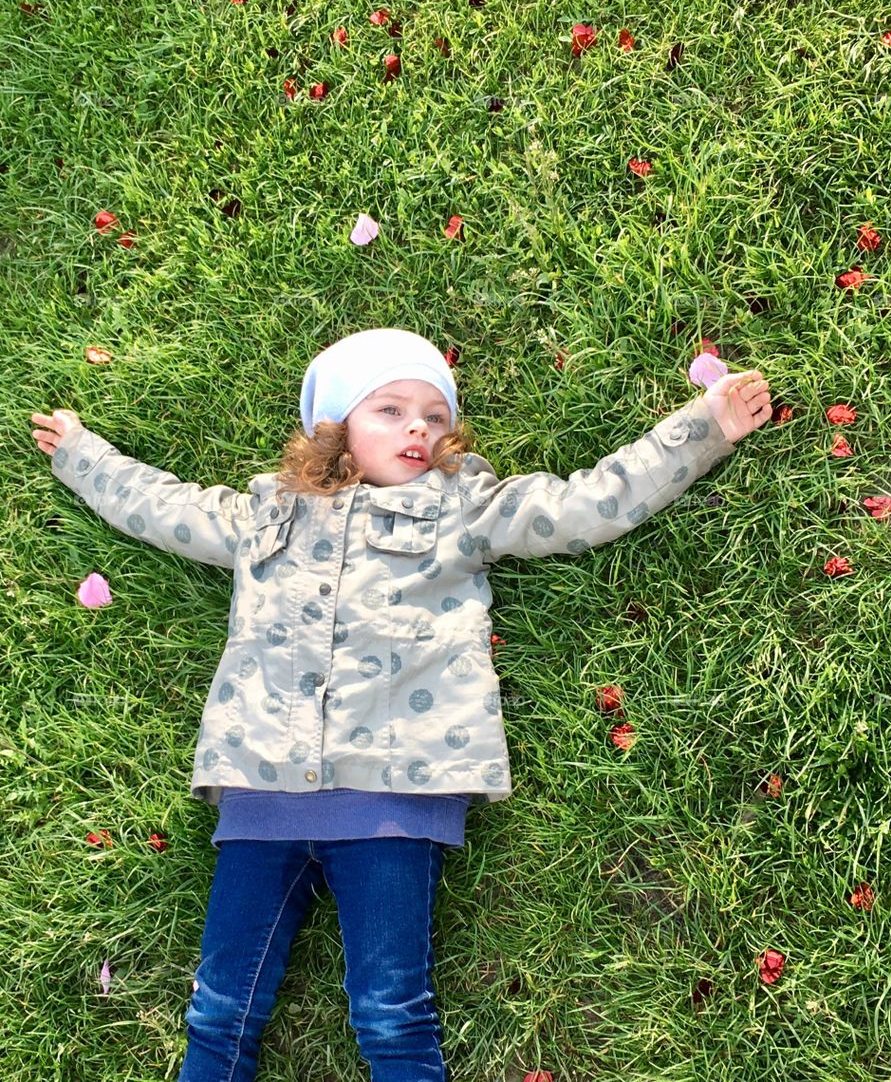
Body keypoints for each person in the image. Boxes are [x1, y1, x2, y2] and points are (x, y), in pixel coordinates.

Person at [30, 327, 773, 1082]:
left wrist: (702, 426)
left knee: (389, 1013)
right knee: (220, 1012)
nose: (418, 427)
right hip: (261, 791)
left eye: (435, 415)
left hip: (396, 793)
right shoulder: (264, 516)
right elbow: (162, 506)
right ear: (335, 425)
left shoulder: (463, 508)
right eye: (389, 408)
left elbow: (585, 504)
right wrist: (80, 454)